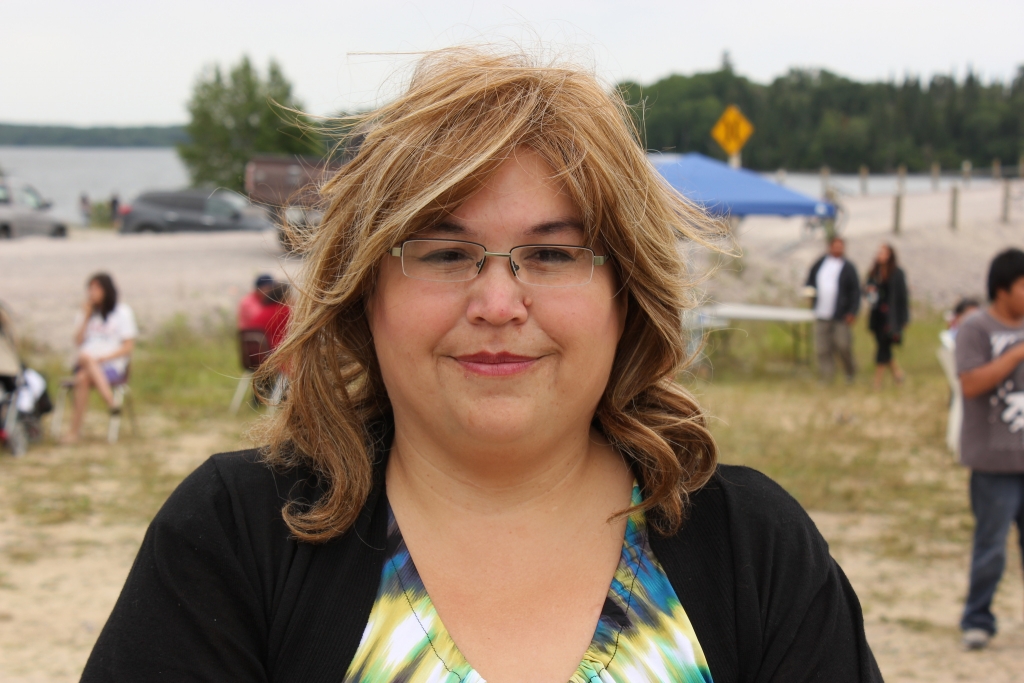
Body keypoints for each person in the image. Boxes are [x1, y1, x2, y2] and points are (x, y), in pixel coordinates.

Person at [81, 49, 881, 682]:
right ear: (365, 291)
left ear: (626, 293)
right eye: (444, 252)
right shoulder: (234, 539)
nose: (499, 302)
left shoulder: (755, 552)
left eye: (553, 253)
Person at [955, 248, 1024, 651]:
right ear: (1002, 289)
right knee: (991, 548)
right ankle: (977, 619)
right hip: (993, 464)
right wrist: (1014, 354)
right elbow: (970, 384)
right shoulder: (976, 328)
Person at [63, 273, 137, 444]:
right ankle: (110, 401)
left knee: (82, 378)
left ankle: (74, 432)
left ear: (107, 290)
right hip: (85, 361)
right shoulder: (86, 313)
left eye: (96, 288)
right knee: (86, 357)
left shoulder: (122, 312)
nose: (92, 292)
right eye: (90, 288)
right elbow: (78, 342)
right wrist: (86, 317)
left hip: (111, 366)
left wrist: (103, 358)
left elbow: (128, 347)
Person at [806, 236, 861, 383]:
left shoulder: (848, 267)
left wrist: (852, 311)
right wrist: (810, 294)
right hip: (821, 312)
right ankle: (827, 376)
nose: (837, 249)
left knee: (843, 345)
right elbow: (810, 281)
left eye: (840, 246)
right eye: (835, 246)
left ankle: (850, 372)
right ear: (829, 247)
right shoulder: (820, 263)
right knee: (822, 347)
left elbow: (855, 291)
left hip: (840, 314)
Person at [864, 243, 909, 389]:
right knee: (883, 346)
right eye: (879, 252)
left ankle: (877, 381)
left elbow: (902, 297)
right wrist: (869, 290)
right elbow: (866, 289)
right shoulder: (875, 272)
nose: (880, 255)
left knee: (883, 347)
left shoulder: (897, 273)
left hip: (891, 316)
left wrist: (904, 318)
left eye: (883, 252)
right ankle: (898, 374)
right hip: (877, 316)